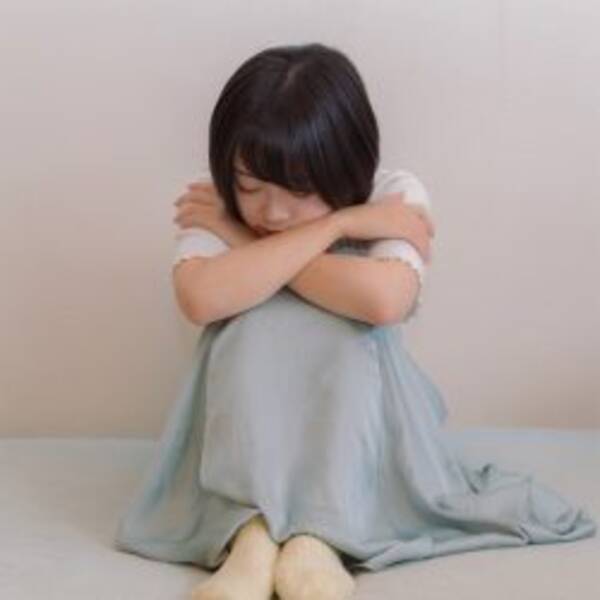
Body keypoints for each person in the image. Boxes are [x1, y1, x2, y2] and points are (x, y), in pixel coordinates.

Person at [113, 43, 597, 600]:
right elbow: (202, 298)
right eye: (250, 188)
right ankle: (251, 533)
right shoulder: (218, 196)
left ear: (345, 162)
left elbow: (383, 302)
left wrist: (254, 243)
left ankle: (319, 536)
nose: (272, 211)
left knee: (340, 330)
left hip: (363, 414)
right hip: (247, 421)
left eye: (299, 189)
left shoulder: (391, 194)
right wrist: (334, 227)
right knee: (247, 329)